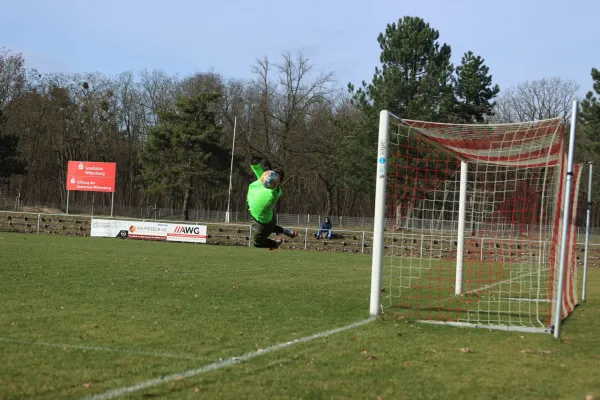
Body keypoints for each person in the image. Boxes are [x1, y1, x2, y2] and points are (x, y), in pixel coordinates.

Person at [246, 156, 297, 249]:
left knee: (256, 243)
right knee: (270, 228)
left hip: (263, 221)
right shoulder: (263, 179)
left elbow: (274, 191)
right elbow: (257, 170)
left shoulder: (276, 191)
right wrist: (254, 163)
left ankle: (275, 243)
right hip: (261, 216)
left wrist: (273, 181)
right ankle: (285, 231)